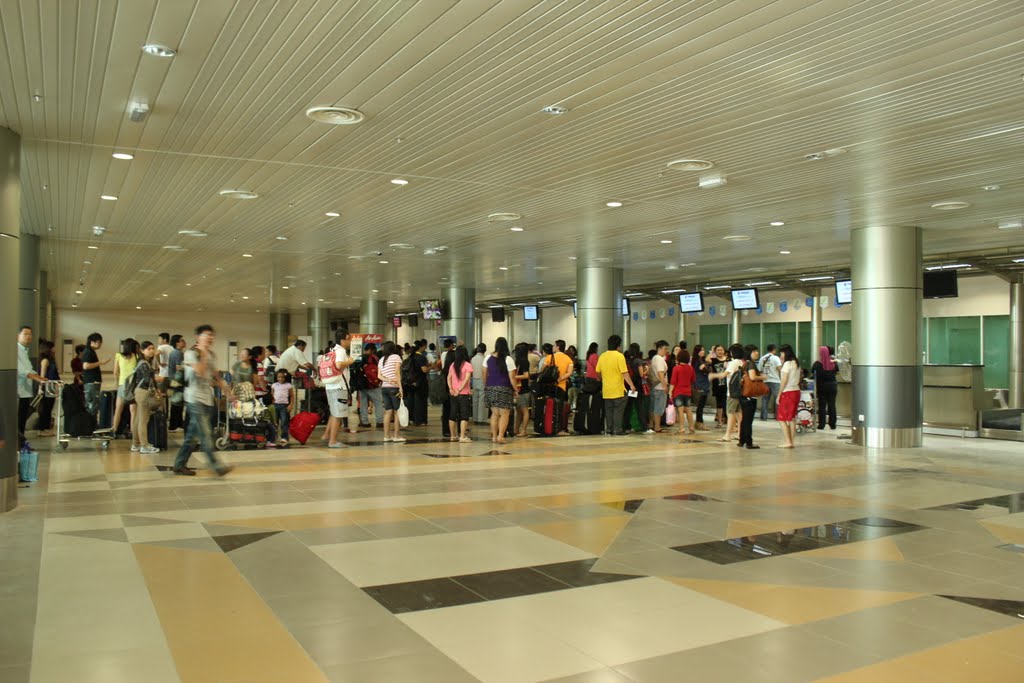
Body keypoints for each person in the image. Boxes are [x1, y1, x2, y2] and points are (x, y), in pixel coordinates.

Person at [172, 325, 233, 476]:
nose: (210, 338)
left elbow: (215, 376)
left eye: (211, 335)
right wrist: (204, 353)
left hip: (207, 399)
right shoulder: (191, 353)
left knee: (192, 436)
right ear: (198, 337)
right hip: (194, 398)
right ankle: (216, 466)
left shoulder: (211, 354)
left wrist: (228, 391)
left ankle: (179, 465)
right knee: (205, 433)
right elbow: (199, 372)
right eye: (206, 335)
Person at [595, 335, 635, 436]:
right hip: (618, 389)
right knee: (618, 410)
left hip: (607, 390)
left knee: (609, 410)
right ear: (618, 346)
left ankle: (609, 430)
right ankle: (617, 429)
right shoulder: (619, 356)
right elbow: (624, 373)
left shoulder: (602, 356)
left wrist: (602, 379)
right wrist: (631, 385)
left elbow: (598, 372)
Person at [322, 329, 355, 449]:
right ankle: (333, 441)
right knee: (338, 415)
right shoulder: (340, 351)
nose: (350, 341)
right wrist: (349, 361)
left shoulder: (332, 350)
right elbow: (339, 365)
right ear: (342, 340)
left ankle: (326, 435)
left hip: (330, 385)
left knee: (334, 413)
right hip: (339, 386)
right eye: (348, 339)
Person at [483, 337, 518, 444]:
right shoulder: (508, 359)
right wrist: (516, 389)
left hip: (490, 388)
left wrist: (487, 386)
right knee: (505, 413)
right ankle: (500, 436)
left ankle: (494, 436)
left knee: (495, 413)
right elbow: (512, 377)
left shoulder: (487, 357)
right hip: (504, 388)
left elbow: (484, 374)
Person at [130, 341, 162, 454]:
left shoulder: (143, 362)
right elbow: (148, 380)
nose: (152, 351)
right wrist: (159, 379)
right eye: (149, 349)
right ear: (142, 351)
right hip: (143, 393)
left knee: (138, 419)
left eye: (153, 348)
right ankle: (144, 445)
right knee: (143, 420)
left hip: (139, 392)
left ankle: (135, 444)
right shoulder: (144, 364)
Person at [16, 326, 45, 443]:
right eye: (25, 334)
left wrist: (41, 378)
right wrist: (37, 379)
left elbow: (29, 369)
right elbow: (22, 370)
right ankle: (19, 443)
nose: (28, 336)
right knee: (18, 419)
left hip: (25, 391)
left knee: (23, 418)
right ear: (18, 335)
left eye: (30, 334)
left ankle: (22, 442)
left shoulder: (24, 350)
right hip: (18, 390)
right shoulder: (16, 350)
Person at [713, 344, 745, 443]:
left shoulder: (733, 363)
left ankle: (727, 435)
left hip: (732, 392)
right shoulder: (742, 362)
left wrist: (713, 375)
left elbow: (724, 374)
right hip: (740, 391)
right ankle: (740, 433)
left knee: (730, 413)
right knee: (739, 413)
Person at [377, 341, 405, 443]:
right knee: (397, 411)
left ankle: (386, 436)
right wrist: (400, 388)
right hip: (394, 388)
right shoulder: (396, 357)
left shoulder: (381, 360)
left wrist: (387, 380)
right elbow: (397, 373)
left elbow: (379, 376)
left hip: (384, 388)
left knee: (388, 411)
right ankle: (396, 436)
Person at [112, 338, 140, 438]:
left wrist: (117, 383)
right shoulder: (137, 356)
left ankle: (114, 431)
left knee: (118, 409)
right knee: (133, 411)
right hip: (132, 386)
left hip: (122, 385)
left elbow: (115, 371)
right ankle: (132, 432)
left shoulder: (118, 355)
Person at [446, 345, 474, 442]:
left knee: (452, 414)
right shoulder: (467, 365)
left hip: (453, 394)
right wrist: (460, 389)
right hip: (464, 393)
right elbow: (467, 379)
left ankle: (453, 436)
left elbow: (448, 378)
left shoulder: (453, 365)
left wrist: (451, 389)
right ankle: (462, 436)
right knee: (464, 415)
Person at [776, 344, 801, 448]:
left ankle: (787, 441)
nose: (780, 355)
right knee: (791, 418)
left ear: (785, 353)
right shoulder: (796, 363)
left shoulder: (787, 364)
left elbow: (784, 381)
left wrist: (779, 395)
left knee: (781, 418)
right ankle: (791, 441)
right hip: (796, 391)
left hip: (787, 392)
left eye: (781, 353)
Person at [739, 345, 763, 450]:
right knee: (748, 420)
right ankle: (749, 442)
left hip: (743, 394)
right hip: (750, 395)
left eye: (757, 351)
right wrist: (763, 377)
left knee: (744, 419)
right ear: (749, 353)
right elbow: (753, 377)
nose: (757, 353)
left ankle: (742, 440)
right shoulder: (751, 364)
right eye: (754, 351)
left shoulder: (745, 364)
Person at [34, 339, 60, 436]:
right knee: (45, 408)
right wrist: (40, 388)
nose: (54, 349)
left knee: (49, 408)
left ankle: (45, 427)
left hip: (51, 386)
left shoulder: (51, 359)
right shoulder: (45, 360)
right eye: (52, 347)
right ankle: (42, 429)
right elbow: (42, 375)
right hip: (46, 387)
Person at [624, 343, 650, 434]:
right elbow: (641, 374)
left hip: (630, 386)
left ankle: (626, 426)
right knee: (640, 407)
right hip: (638, 387)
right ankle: (644, 427)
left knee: (628, 407)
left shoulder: (627, 360)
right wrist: (646, 370)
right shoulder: (638, 361)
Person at [357, 343, 384, 430]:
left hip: (362, 384)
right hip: (373, 385)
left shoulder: (359, 358)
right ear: (372, 350)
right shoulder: (375, 358)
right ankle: (379, 422)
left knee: (363, 403)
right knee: (378, 403)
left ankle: (365, 422)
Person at [81, 332, 108, 418]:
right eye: (99, 342)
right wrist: (101, 363)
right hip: (91, 381)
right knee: (92, 404)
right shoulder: (88, 351)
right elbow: (86, 366)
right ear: (92, 342)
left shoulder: (90, 351)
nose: (100, 344)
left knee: (93, 404)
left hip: (92, 381)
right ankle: (90, 425)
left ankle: (91, 424)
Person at [404, 340, 430, 426]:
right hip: (420, 383)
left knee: (410, 401)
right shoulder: (421, 357)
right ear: (420, 347)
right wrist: (431, 367)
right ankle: (419, 420)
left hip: (410, 382)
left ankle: (410, 418)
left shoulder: (410, 357)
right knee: (420, 402)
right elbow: (424, 370)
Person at [670, 348, 696, 435]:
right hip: (688, 392)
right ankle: (691, 427)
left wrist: (670, 391)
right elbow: (693, 380)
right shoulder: (691, 368)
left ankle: (681, 428)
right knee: (688, 410)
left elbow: (673, 382)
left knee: (680, 410)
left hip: (678, 392)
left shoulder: (676, 368)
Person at [812, 345, 838, 430]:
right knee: (832, 404)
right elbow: (836, 372)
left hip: (822, 386)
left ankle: (821, 424)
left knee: (822, 406)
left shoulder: (817, 364)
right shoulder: (833, 363)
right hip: (833, 385)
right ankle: (833, 424)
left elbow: (813, 373)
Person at [648, 340, 670, 433]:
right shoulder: (660, 359)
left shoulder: (654, 358)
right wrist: (665, 386)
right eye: (665, 349)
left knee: (653, 407)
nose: (666, 351)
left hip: (654, 386)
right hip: (660, 387)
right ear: (659, 348)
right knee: (659, 407)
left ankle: (652, 424)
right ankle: (657, 426)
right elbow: (661, 373)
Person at [512, 343, 532, 437]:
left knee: (524, 410)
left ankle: (523, 430)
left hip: (523, 389)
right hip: (519, 389)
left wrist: (514, 376)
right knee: (519, 411)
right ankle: (516, 430)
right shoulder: (519, 361)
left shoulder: (524, 362)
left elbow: (526, 375)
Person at [271, 369, 295, 446]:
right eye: (279, 377)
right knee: (275, 422)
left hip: (284, 406)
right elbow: (272, 395)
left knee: (284, 422)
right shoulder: (274, 385)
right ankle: (273, 437)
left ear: (285, 377)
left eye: (282, 377)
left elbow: (292, 396)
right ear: (276, 377)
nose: (280, 379)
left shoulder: (288, 385)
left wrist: (291, 405)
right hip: (275, 405)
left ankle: (284, 437)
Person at [758, 344, 782, 421]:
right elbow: (779, 369)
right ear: (774, 349)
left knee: (765, 399)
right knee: (777, 399)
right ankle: (778, 417)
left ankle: (763, 417)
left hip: (765, 381)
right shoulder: (776, 358)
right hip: (775, 381)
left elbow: (759, 370)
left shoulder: (762, 358)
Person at [168, 334, 186, 430]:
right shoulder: (178, 353)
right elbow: (179, 368)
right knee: (177, 403)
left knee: (177, 402)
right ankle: (175, 424)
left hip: (174, 380)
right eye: (182, 340)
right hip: (177, 381)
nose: (184, 342)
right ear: (177, 343)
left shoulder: (174, 352)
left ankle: (176, 423)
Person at [691, 345, 711, 431]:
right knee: (700, 405)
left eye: (703, 349)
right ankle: (699, 423)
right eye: (701, 350)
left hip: (704, 384)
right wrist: (707, 362)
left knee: (701, 405)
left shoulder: (701, 360)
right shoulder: (697, 361)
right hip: (700, 385)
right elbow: (702, 368)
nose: (703, 351)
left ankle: (698, 422)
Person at [709, 345, 728, 428]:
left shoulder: (728, 360)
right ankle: (719, 421)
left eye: (721, 350)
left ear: (724, 351)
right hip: (717, 385)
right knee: (719, 404)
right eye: (718, 350)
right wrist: (712, 351)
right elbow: (707, 360)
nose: (720, 351)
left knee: (727, 403)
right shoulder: (714, 360)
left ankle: (728, 419)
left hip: (727, 385)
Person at [470, 343, 488, 424]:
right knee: (482, 400)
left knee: (475, 400)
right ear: (485, 350)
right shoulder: (485, 359)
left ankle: (475, 418)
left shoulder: (472, 359)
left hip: (474, 379)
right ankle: (481, 420)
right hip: (482, 380)